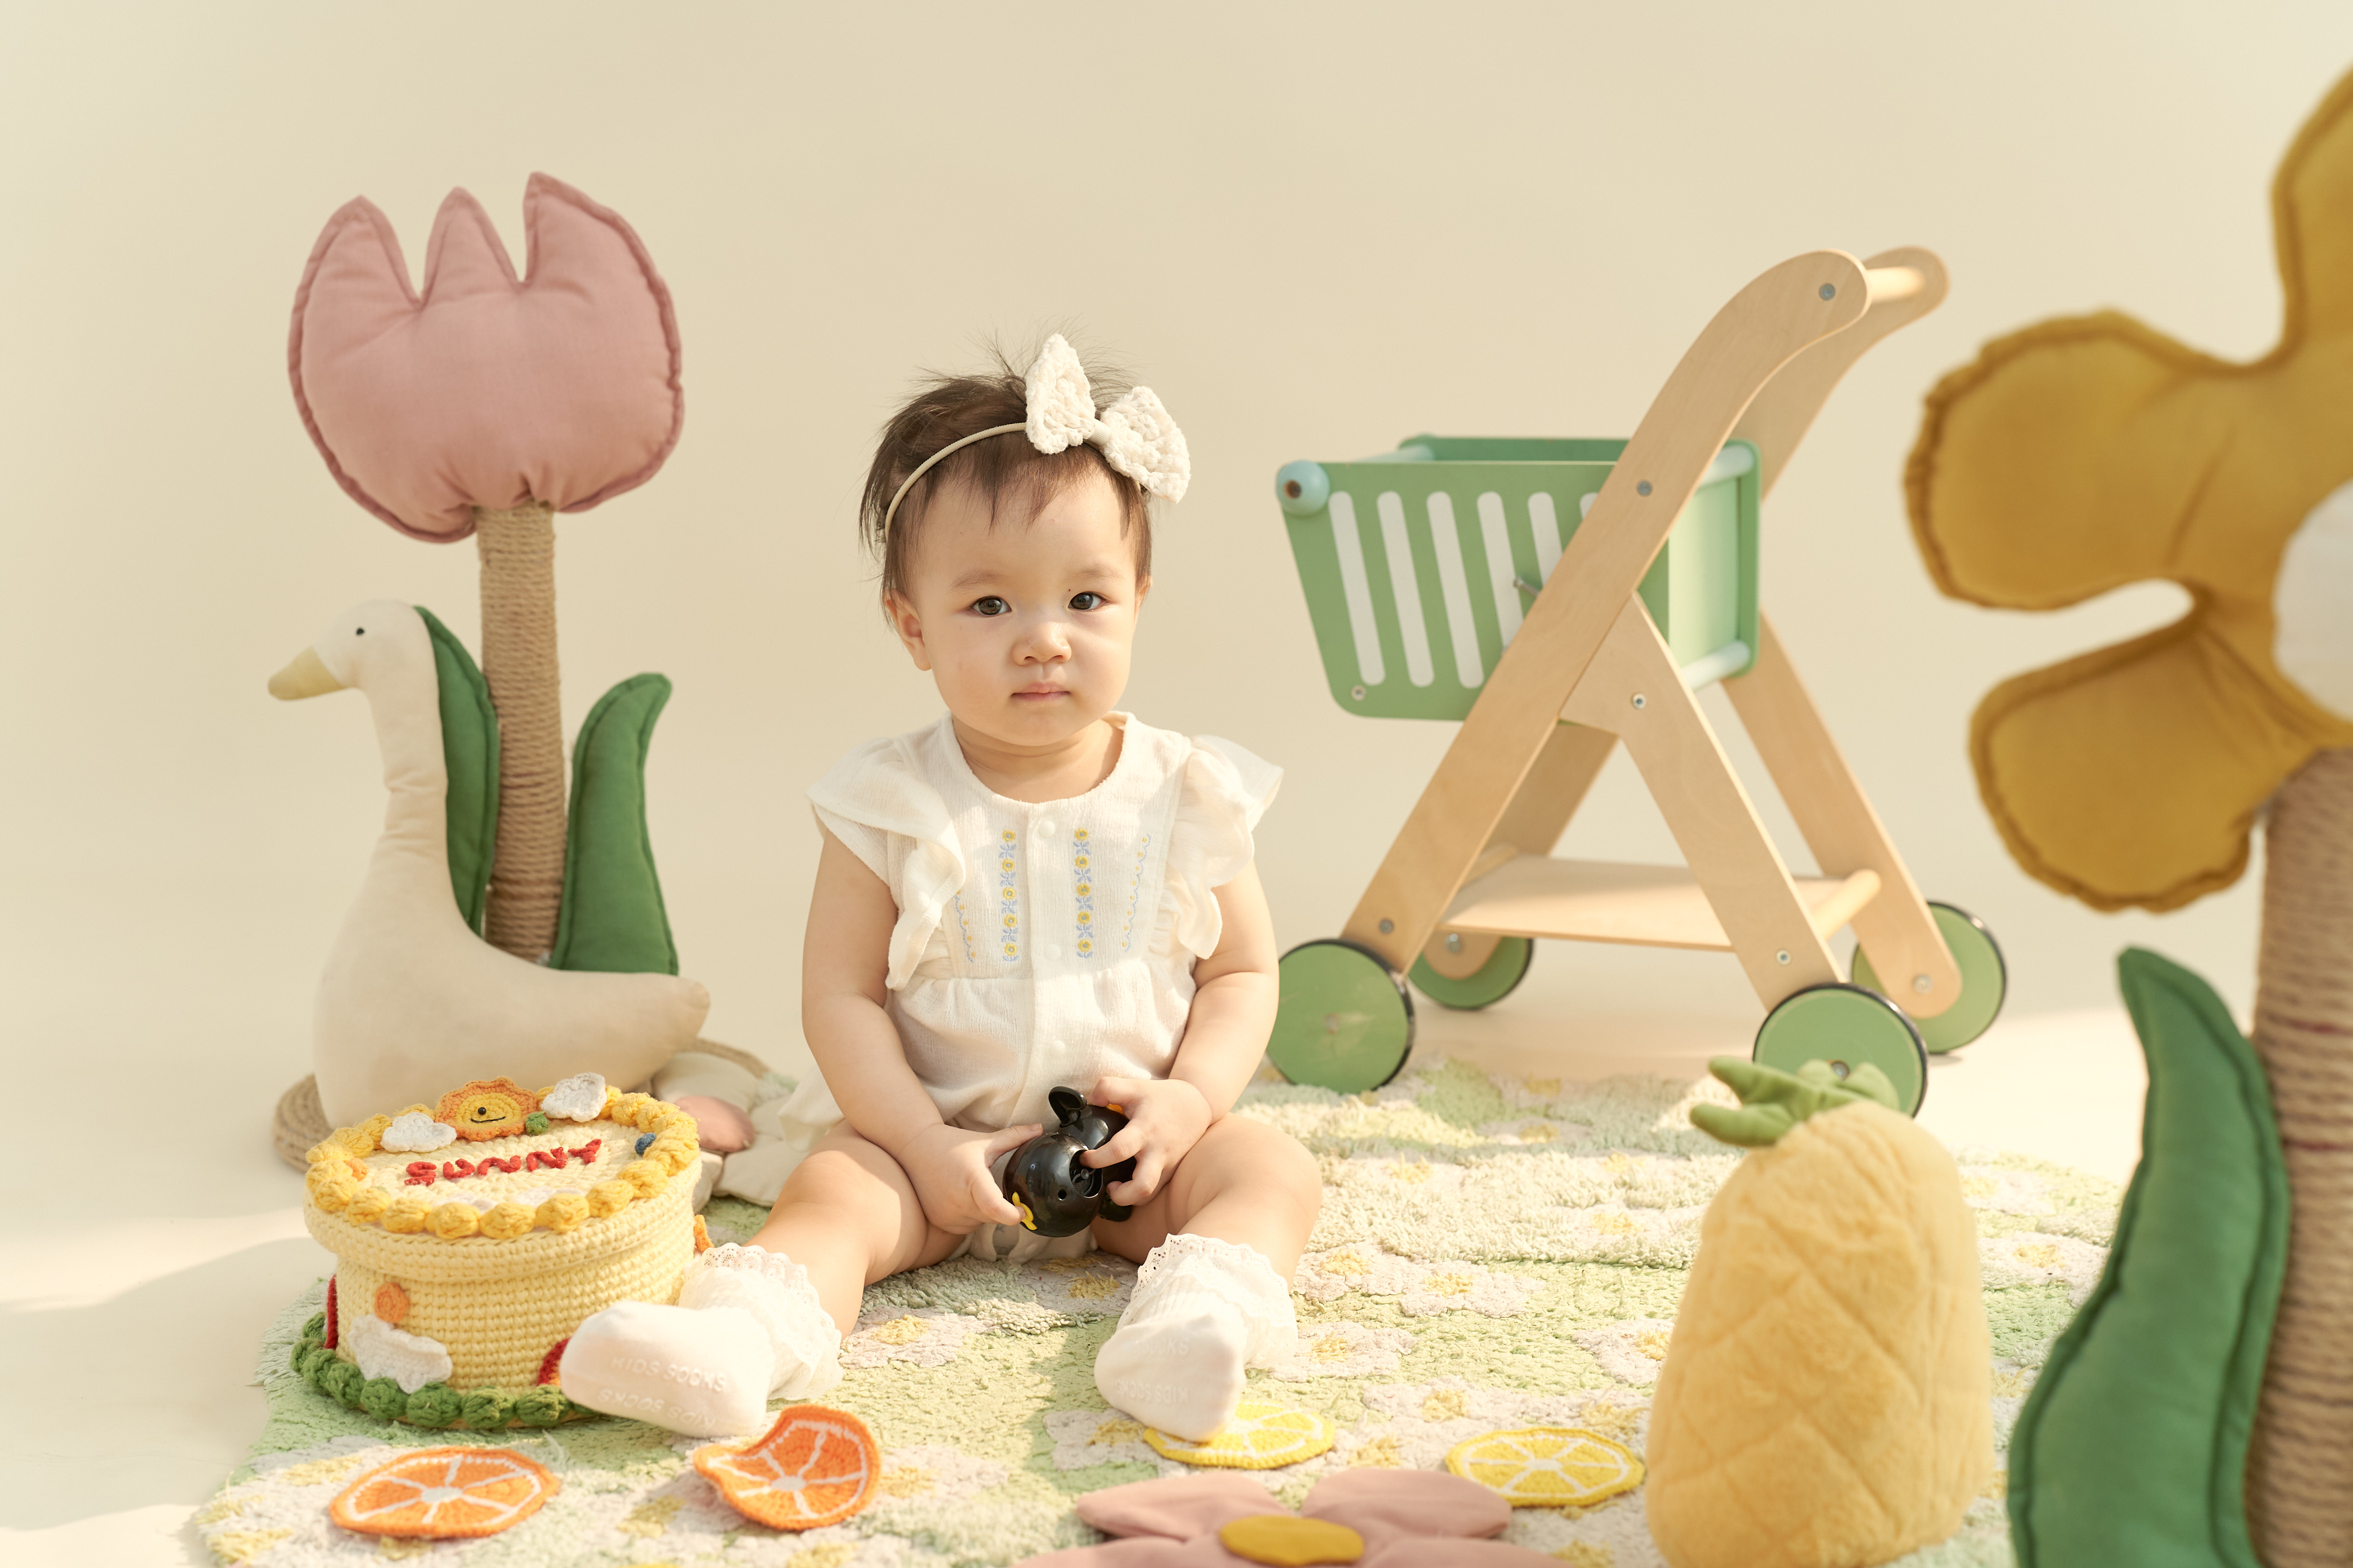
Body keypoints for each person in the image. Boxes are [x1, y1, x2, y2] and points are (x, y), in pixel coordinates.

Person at [560, 335, 1322, 1441]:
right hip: (930, 1150)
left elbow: (1244, 971)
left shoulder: (1185, 788)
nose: (1044, 640)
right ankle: (735, 1341)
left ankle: (1191, 1324)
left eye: (1087, 597)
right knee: (834, 1192)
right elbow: (842, 997)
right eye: (989, 606)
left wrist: (1190, 1103)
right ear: (912, 624)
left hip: (1129, 1160)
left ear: (1138, 601)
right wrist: (919, 1142)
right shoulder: (890, 801)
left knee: (1269, 1168)